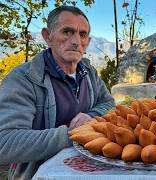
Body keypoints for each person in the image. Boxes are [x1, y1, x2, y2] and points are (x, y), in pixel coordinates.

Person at [0, 6, 115, 180]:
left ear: (88, 41)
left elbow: (108, 103)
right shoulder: (24, 79)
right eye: (67, 31)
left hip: (90, 170)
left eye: (82, 34)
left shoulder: (88, 72)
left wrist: (91, 116)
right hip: (39, 175)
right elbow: (5, 143)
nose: (76, 41)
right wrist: (72, 134)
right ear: (48, 36)